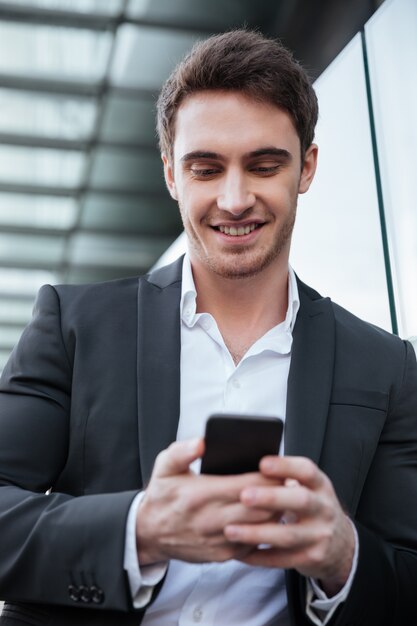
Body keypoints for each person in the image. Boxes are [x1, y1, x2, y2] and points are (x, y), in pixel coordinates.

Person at [0, 29, 417, 626]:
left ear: (307, 168)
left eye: (264, 165)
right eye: (206, 168)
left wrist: (344, 557)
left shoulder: (385, 367)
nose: (235, 197)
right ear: (172, 174)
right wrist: (137, 529)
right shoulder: (74, 327)